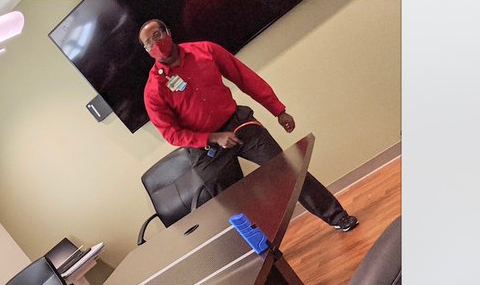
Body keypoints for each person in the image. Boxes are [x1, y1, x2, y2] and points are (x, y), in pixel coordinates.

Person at [138, 19, 359, 232]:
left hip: (238, 124)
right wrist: (213, 138)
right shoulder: (153, 90)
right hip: (206, 147)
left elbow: (245, 78)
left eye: (157, 35)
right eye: (148, 43)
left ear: (169, 32)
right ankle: (263, 252)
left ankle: (337, 217)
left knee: (287, 171)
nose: (155, 44)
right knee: (235, 206)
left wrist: (278, 110)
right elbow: (172, 134)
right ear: (147, 52)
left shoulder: (205, 50)